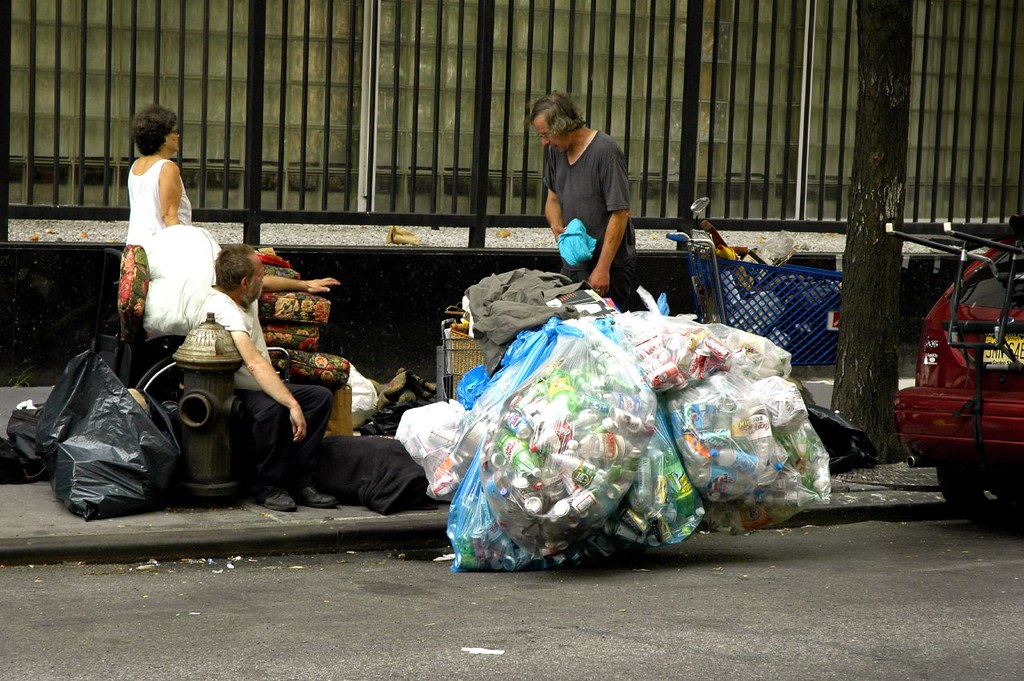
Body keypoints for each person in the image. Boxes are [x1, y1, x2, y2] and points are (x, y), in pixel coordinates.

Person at [126, 104, 340, 339]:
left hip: (139, 252)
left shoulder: (137, 167)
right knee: (234, 279)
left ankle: (304, 285)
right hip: (167, 253)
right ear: (162, 136)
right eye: (175, 131)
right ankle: (256, 338)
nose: (178, 135)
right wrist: (190, 253)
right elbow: (170, 217)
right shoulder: (167, 168)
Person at [201, 243, 339, 512]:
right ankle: (268, 487)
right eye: (260, 275)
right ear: (244, 282)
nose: (264, 279)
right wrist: (291, 403)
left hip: (259, 384)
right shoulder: (223, 309)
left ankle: (301, 482)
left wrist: (305, 285)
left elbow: (270, 283)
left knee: (319, 398)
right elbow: (253, 363)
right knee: (273, 409)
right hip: (236, 389)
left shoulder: (241, 293)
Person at [529, 91, 637, 310]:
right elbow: (553, 199)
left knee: (602, 332)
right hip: (574, 263)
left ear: (563, 126)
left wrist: (602, 268)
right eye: (541, 136)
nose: (545, 142)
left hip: (608, 266)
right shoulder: (555, 152)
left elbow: (621, 213)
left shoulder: (606, 151)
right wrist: (555, 226)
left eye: (547, 134)